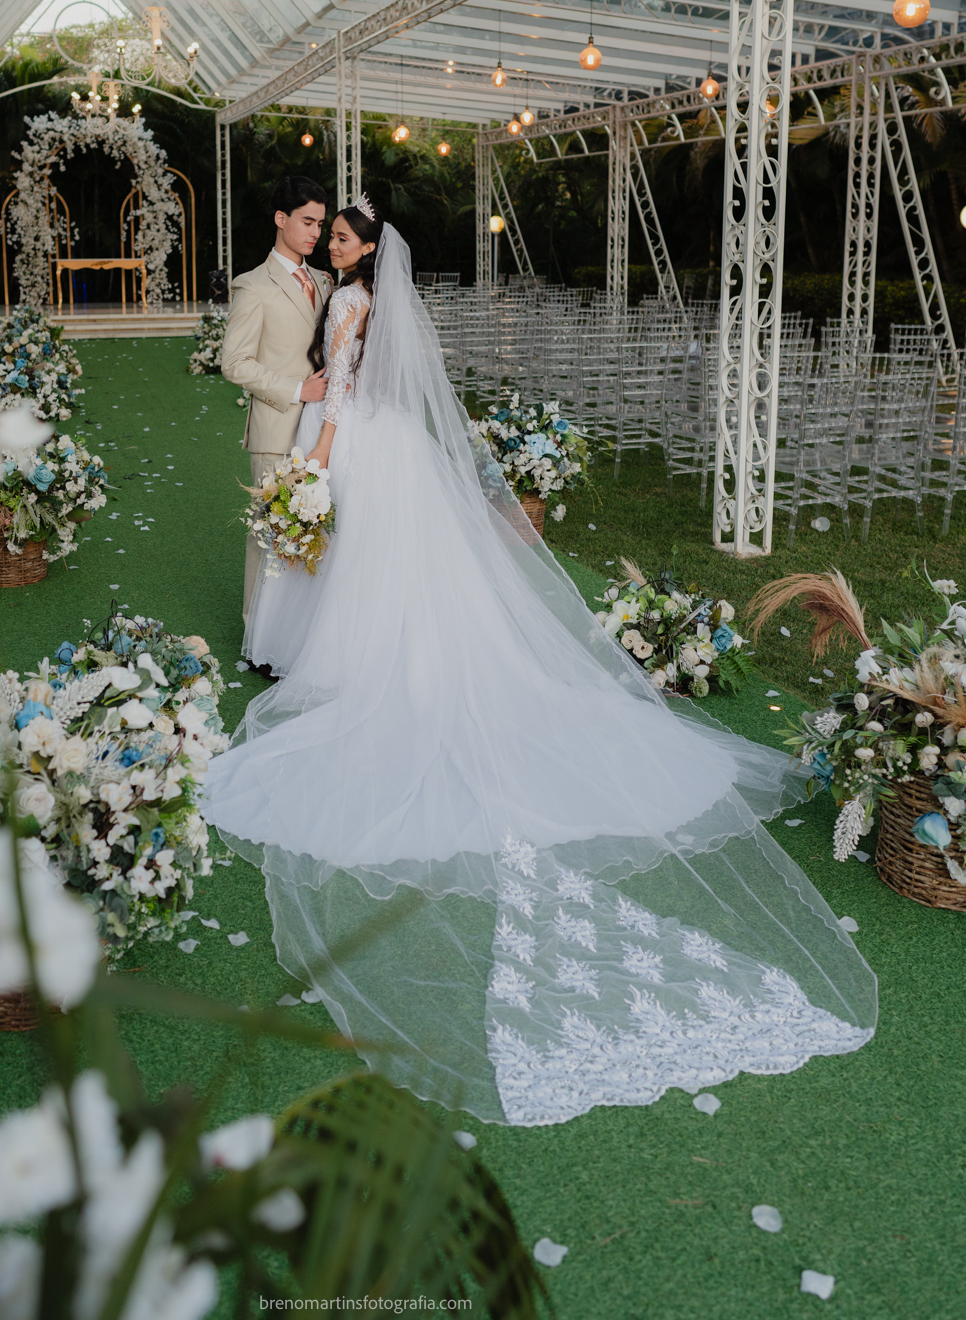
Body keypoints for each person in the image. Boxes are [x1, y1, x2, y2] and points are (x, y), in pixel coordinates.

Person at [202, 198, 877, 1129]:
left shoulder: (352, 305)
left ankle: (359, 670)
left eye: (346, 238)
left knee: (358, 568)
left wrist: (314, 457)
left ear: (361, 254)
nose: (336, 246)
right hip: (395, 447)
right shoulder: (376, 299)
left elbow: (343, 387)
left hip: (352, 437)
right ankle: (390, 661)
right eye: (333, 236)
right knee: (393, 575)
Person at [220, 175, 333, 635]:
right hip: (275, 427)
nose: (315, 233)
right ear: (281, 219)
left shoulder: (325, 280)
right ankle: (256, 632)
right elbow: (234, 362)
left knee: (312, 527)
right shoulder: (254, 285)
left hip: (320, 430)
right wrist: (294, 390)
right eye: (307, 221)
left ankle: (295, 633)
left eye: (321, 225)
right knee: (269, 534)